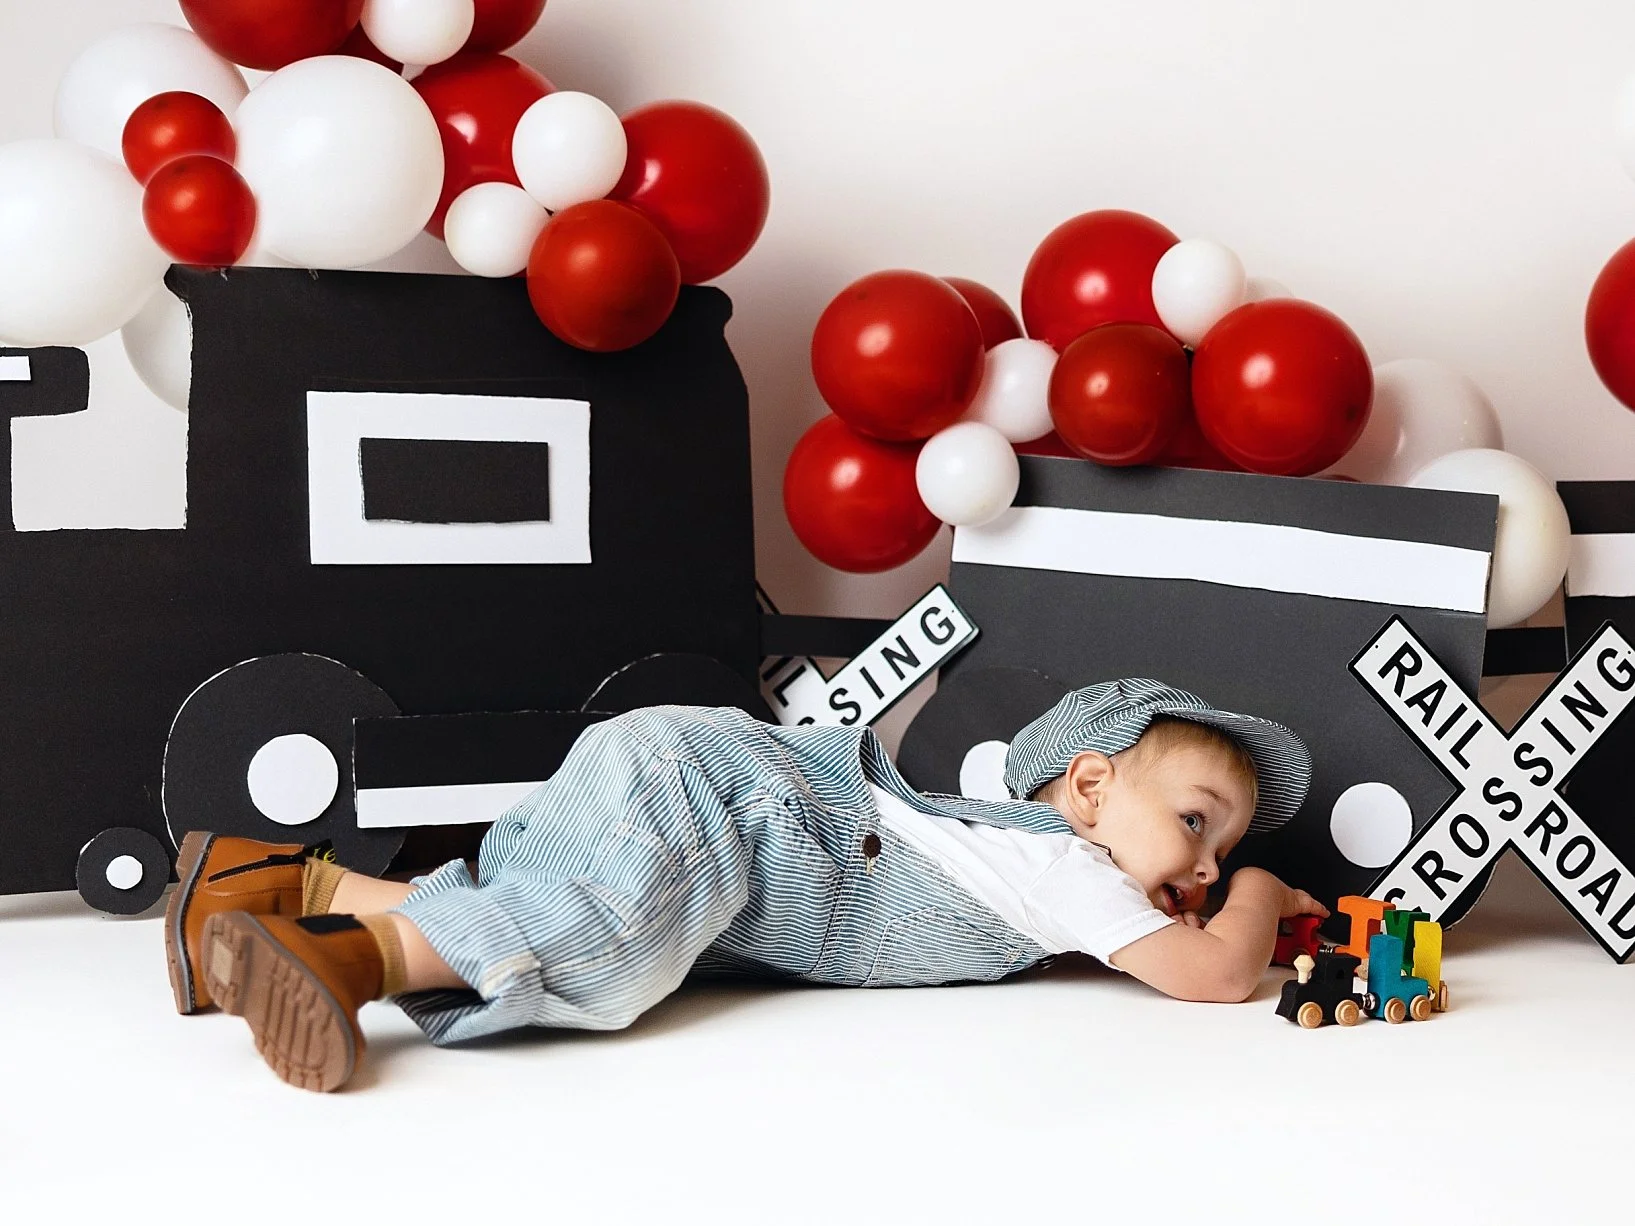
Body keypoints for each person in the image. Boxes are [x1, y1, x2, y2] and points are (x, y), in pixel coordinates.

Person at [165, 677, 1329, 1092]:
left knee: (547, 892)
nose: (1208, 866)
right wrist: (1266, 894)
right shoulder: (1067, 866)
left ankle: (265, 888)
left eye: (1224, 851)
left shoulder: (1061, 862)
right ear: (1086, 785)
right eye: (1197, 825)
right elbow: (1214, 975)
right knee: (611, 951)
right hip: (742, 805)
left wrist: (1228, 872)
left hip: (709, 785)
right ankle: (352, 962)